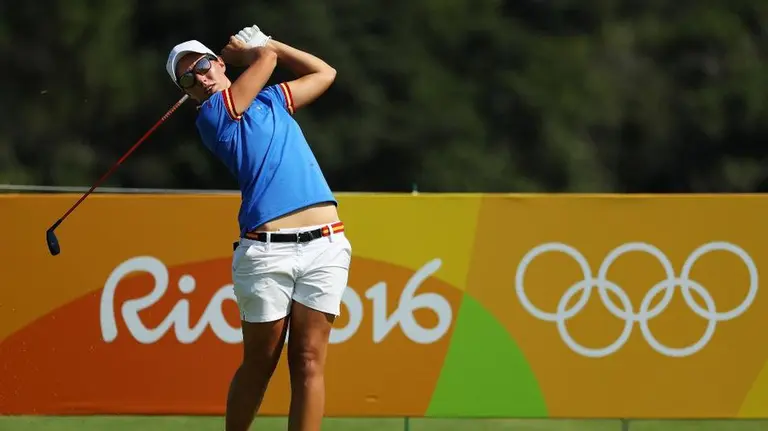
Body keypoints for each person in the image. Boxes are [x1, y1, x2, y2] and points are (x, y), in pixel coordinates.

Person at [165, 25, 352, 431]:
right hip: (266, 253)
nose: (200, 77)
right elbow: (265, 62)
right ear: (190, 94)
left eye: (201, 65)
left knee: (308, 361)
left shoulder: (271, 100)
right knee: (260, 365)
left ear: (216, 63)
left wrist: (276, 44)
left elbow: (325, 74)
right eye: (188, 79)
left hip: (326, 245)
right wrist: (256, 51)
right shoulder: (212, 117)